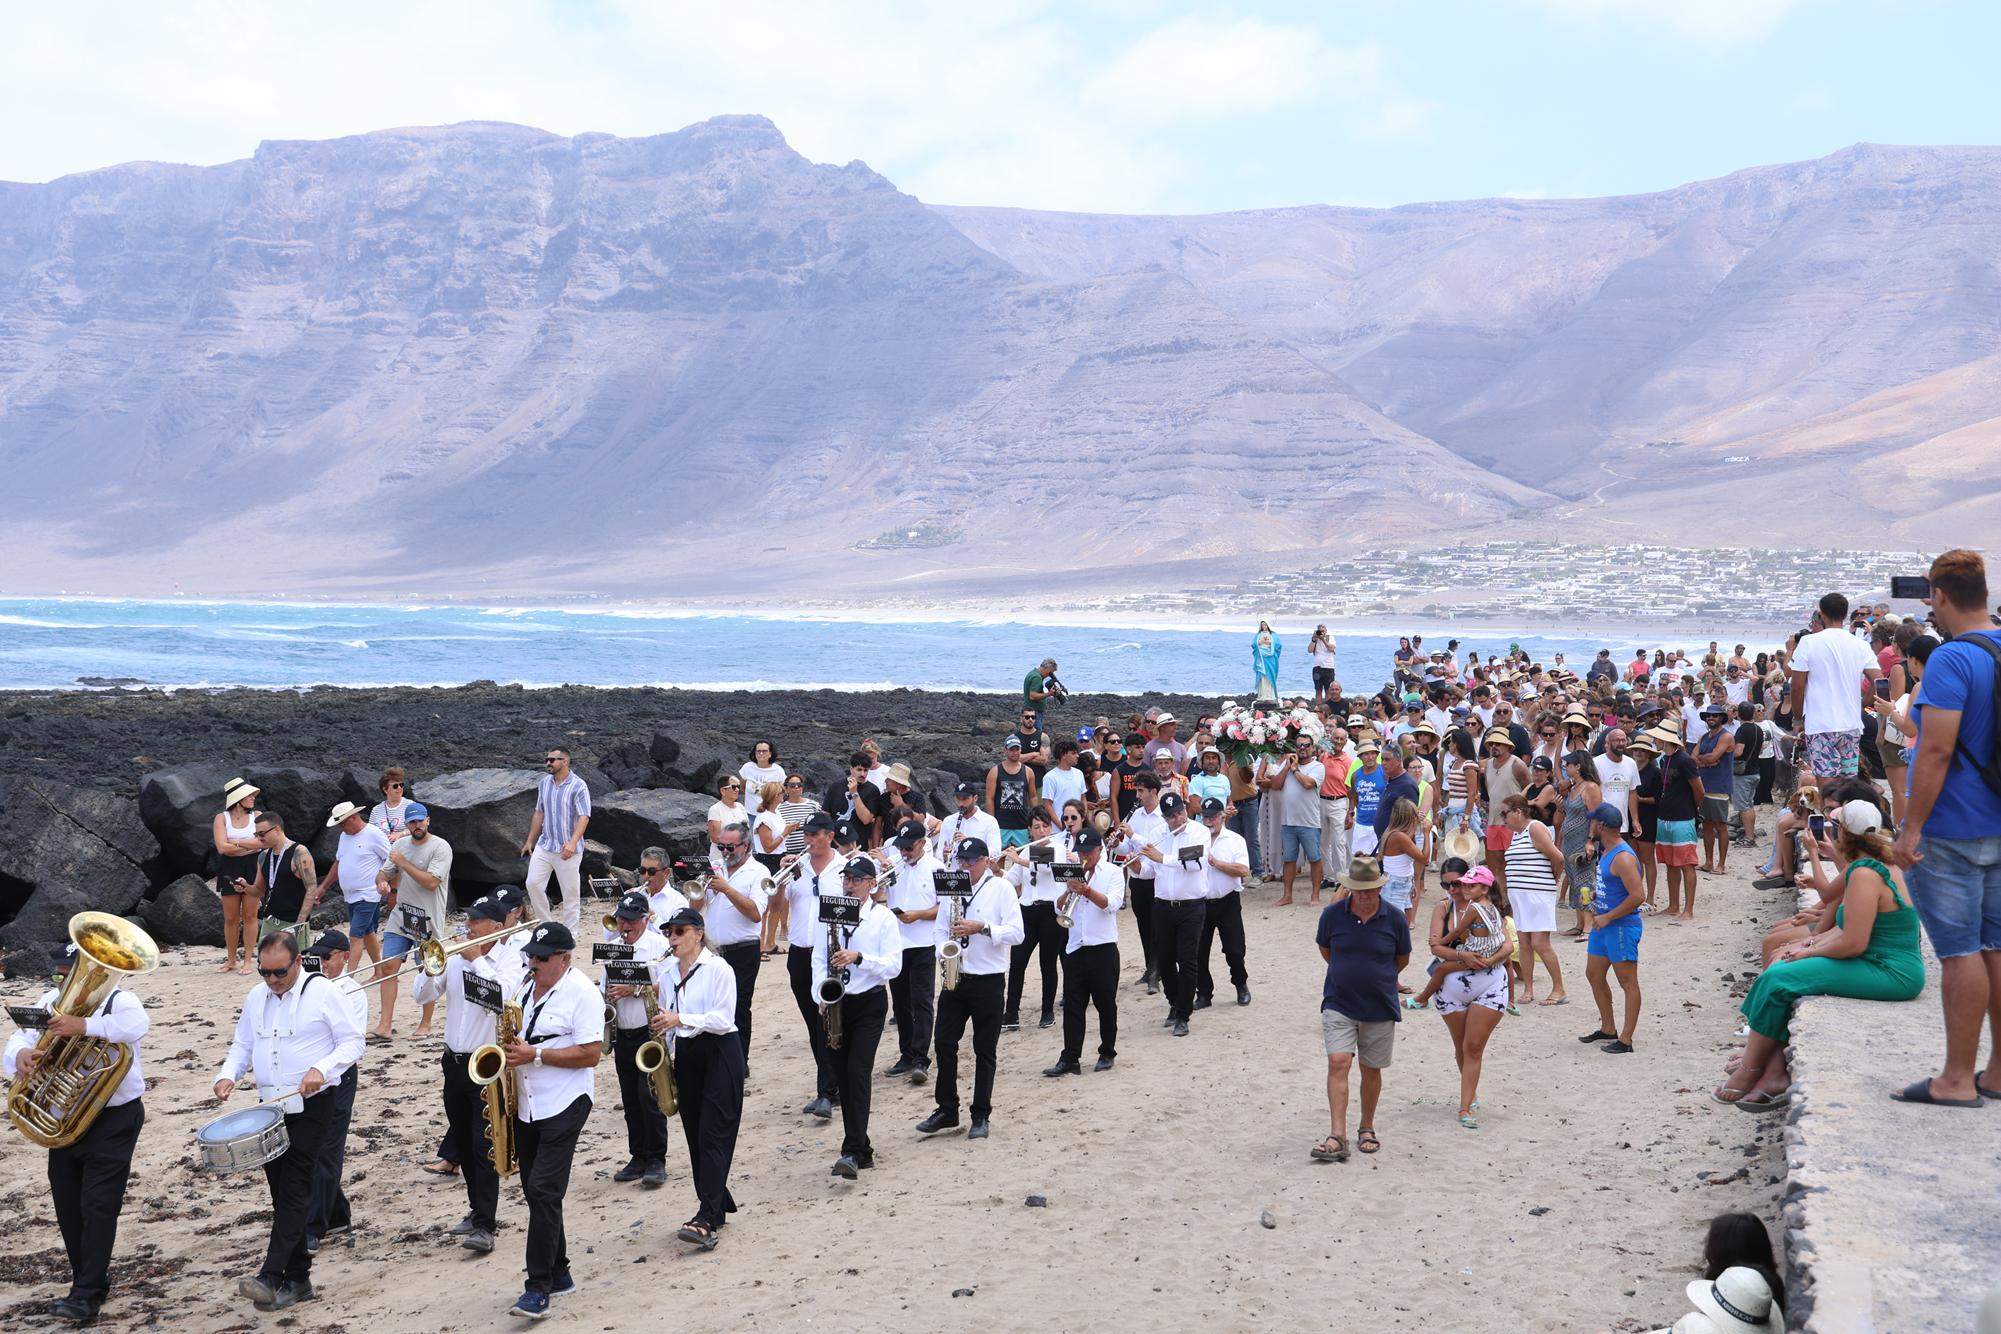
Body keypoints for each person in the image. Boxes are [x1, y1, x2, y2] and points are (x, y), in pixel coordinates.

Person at [1719, 800, 1923, 1109]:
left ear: (1843, 834)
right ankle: (1770, 1068)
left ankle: (1752, 1069)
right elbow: (1844, 930)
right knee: (1780, 966)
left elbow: (1853, 942)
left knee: (1780, 980)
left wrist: (1805, 953)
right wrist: (1807, 946)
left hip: (1890, 971)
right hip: (1879, 961)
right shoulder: (1869, 865)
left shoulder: (1866, 874)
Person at [1890, 548, 2001, 1107]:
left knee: (1960, 951)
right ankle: (1999, 1072)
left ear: (1937, 595)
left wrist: (1909, 829)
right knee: (1998, 946)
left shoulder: (1954, 660)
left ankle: (1957, 1079)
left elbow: (1933, 749)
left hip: (1957, 825)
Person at [213, 931, 365, 1311]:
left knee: (296, 1186)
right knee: (281, 1192)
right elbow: (243, 1044)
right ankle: (298, 1280)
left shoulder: (325, 992)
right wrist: (228, 1074)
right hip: (270, 1107)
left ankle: (270, 1274)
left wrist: (321, 1067)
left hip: (314, 1104)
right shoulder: (255, 996)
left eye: (279, 972)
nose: (272, 981)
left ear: (297, 963)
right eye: (265, 973)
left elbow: (353, 1042)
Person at [3, 940, 150, 1323]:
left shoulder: (120, 1001)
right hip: (64, 1119)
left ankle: (85, 1294)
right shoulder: (49, 1000)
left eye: (73, 976)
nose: (69, 985)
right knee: (69, 1206)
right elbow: (20, 1036)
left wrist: (84, 1025)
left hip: (114, 1119)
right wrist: (20, 1055)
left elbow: (138, 1026)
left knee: (99, 1205)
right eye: (61, 976)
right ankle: (89, 1280)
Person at [501, 923, 603, 1321]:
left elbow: (592, 1053)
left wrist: (536, 1057)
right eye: (531, 955)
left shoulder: (582, 993)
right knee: (535, 1189)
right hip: (528, 1101)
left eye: (542, 957)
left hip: (565, 1101)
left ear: (565, 958)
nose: (534, 963)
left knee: (544, 1188)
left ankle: (537, 1287)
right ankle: (559, 1272)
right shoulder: (526, 988)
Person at [410, 896, 512, 1255]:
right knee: (465, 1145)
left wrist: (477, 961)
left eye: (477, 921)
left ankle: (486, 1224)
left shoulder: (508, 960)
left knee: (484, 1144)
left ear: (497, 928)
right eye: (469, 918)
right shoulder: (456, 956)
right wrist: (429, 968)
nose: (469, 926)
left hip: (486, 1066)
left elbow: (504, 999)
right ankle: (475, 1209)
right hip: (453, 1063)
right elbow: (420, 996)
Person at [918, 839, 1024, 1139]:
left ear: (984, 861)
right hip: (956, 975)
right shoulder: (952, 887)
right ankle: (947, 1109)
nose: (964, 866)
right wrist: (944, 949)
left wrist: (984, 928)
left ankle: (981, 1114)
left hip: (988, 979)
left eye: (970, 860)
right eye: (960, 860)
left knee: (984, 1050)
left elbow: (1017, 933)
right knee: (944, 1043)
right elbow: (939, 929)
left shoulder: (1000, 889)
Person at [652, 907, 746, 1246]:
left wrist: (680, 1019)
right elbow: (669, 1019)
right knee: (694, 1133)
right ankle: (716, 1200)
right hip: (688, 1054)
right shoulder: (666, 973)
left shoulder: (719, 968)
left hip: (721, 1050)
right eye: (668, 933)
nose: (673, 938)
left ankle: (707, 1216)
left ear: (698, 934)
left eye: (679, 932)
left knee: (714, 1133)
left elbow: (723, 1019)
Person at [1311, 857, 1412, 1163]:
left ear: (1379, 887)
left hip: (1380, 1003)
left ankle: (1366, 1126)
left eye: (1371, 889)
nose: (1366, 895)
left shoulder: (1394, 918)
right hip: (1339, 1000)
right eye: (1360, 889)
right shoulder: (1332, 915)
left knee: (1371, 1069)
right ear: (1351, 888)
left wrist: (1375, 976)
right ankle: (1337, 1135)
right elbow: (1326, 950)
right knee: (1338, 1062)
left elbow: (1402, 959)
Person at [814, 858, 904, 1177]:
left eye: (856, 879)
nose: (849, 884)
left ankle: (851, 1150)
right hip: (837, 1002)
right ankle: (862, 1148)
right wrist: (820, 995)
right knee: (841, 1075)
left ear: (871, 884)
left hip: (869, 1002)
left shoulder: (882, 918)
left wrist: (859, 958)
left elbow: (894, 966)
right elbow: (818, 956)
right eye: (846, 878)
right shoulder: (831, 913)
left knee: (858, 1072)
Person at [1420, 865, 1512, 1129]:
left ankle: (1465, 1106)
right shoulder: (1443, 908)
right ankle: (1470, 1095)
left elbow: (1507, 944)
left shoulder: (1488, 908)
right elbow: (1436, 945)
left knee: (1473, 1047)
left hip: (1489, 983)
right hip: (1452, 988)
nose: (1453, 889)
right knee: (1462, 1047)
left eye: (1457, 884)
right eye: (1447, 885)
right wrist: (1464, 957)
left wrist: (1488, 960)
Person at [599, 891, 673, 1188]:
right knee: (630, 1097)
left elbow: (667, 986)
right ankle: (638, 1155)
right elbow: (604, 984)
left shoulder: (658, 946)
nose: (625, 927)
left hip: (648, 1030)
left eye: (630, 921)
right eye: (621, 920)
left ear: (645, 920)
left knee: (649, 1095)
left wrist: (635, 989)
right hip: (623, 1031)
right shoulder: (613, 947)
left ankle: (657, 1158)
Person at [300, 931, 366, 1256]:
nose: (322, 963)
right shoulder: (309, 986)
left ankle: (313, 1227)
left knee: (327, 1150)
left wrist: (322, 1069)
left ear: (343, 955)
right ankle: (337, 1214)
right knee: (307, 1147)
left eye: (328, 957)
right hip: (307, 1075)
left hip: (337, 1075)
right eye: (319, 957)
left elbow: (350, 1045)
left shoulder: (352, 991)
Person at [1044, 827, 1124, 1075]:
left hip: (1103, 947)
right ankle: (1070, 1058)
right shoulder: (1071, 873)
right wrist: (1069, 890)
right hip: (1076, 947)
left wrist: (1087, 890)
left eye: (1089, 852)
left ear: (1100, 850)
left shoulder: (1113, 872)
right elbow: (1058, 910)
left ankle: (1107, 1052)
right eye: (1081, 852)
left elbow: (1112, 905)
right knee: (1073, 1006)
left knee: (1105, 1004)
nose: (1084, 857)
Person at [783, 813, 845, 1119]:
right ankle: (831, 1087)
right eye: (807, 834)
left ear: (829, 835)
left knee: (826, 1022)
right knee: (812, 1024)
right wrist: (784, 875)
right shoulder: (798, 868)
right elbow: (775, 903)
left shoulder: (844, 868)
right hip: (799, 951)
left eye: (815, 834)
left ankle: (827, 1092)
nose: (809, 839)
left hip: (829, 953)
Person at [374, 801, 451, 1041]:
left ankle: (426, 1023)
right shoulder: (400, 845)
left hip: (427, 919)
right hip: (401, 916)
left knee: (426, 971)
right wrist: (382, 882)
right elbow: (385, 872)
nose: (417, 825)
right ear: (406, 824)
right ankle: (384, 1025)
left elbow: (431, 882)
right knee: (388, 968)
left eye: (420, 821)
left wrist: (403, 863)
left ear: (428, 820)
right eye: (412, 822)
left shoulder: (441, 847)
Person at [1135, 791, 1210, 1036]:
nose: (1176, 820)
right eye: (1170, 817)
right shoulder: (1158, 834)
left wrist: (1161, 857)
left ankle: (1184, 1014)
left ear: (1185, 809)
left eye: (1179, 813)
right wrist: (1135, 862)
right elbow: (1148, 871)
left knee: (1187, 960)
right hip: (1163, 905)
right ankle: (1174, 1003)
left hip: (1191, 905)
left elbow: (1194, 863)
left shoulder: (1199, 832)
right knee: (1165, 960)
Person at [1790, 592, 1883, 782]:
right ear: (1845, 615)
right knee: (1848, 784)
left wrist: (1798, 717)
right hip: (1851, 725)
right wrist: (1865, 702)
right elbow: (1880, 681)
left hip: (1820, 724)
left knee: (1826, 785)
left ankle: (1828, 812)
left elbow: (1797, 687)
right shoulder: (1860, 644)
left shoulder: (1808, 642)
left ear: (1822, 614)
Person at [701, 823, 770, 1074]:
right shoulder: (717, 869)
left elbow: (754, 913)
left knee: (738, 1007)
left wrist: (727, 889)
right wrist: (702, 886)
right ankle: (718, 1059)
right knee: (711, 1005)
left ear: (747, 846)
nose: (726, 851)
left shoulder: (759, 872)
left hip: (743, 949)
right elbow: (696, 905)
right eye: (722, 846)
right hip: (713, 950)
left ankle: (740, 1063)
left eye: (731, 847)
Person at [1579, 804, 1644, 1053]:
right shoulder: (1606, 851)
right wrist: (1598, 895)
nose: (1591, 825)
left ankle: (1626, 1039)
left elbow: (1638, 895)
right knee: (1594, 974)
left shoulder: (1623, 857)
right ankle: (1608, 1028)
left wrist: (1609, 916)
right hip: (1603, 924)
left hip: (1620, 926)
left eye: (1593, 822)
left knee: (1628, 981)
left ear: (1602, 826)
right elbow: (1617, 887)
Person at [318, 801, 394, 1005]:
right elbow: (339, 862)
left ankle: (347, 979)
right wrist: (324, 887)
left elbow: (392, 859)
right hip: (350, 895)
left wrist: (390, 886)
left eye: (343, 823)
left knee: (355, 936)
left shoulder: (373, 834)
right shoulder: (345, 836)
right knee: (368, 933)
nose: (341, 828)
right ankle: (378, 970)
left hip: (368, 894)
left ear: (353, 817)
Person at [884, 821, 941, 1082]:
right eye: (901, 847)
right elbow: (875, 897)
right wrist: (879, 877)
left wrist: (919, 915)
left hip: (924, 943)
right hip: (898, 943)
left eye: (908, 847)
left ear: (922, 843)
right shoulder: (895, 865)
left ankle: (920, 1058)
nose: (904, 852)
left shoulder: (936, 868)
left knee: (922, 1001)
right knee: (901, 1004)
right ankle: (906, 1054)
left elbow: (945, 907)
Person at [1000, 806, 1065, 1031]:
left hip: (1049, 912)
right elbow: (1012, 881)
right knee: (1017, 963)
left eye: (1045, 826)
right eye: (1036, 827)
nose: (1042, 831)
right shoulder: (1025, 852)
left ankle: (1047, 1012)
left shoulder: (1059, 848)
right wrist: (995, 869)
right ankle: (1011, 1013)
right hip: (1027, 911)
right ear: (1030, 830)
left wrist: (1017, 859)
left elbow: (1045, 867)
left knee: (1047, 964)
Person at [1499, 795, 1566, 1004]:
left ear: (1518, 812)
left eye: (1505, 814)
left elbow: (1558, 858)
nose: (1503, 819)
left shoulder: (1534, 828)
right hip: (1521, 896)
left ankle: (1559, 988)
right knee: (1525, 942)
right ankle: (1528, 989)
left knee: (1540, 942)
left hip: (1537, 893)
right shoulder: (1517, 834)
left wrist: (1553, 878)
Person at [520, 747, 592, 934]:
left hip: (567, 848)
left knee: (570, 894)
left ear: (565, 761)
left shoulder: (579, 785)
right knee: (533, 883)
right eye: (547, 759)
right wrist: (530, 841)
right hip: (545, 844)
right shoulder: (544, 783)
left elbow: (584, 816)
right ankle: (546, 926)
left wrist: (572, 843)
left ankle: (571, 935)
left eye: (552, 760)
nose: (548, 763)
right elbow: (539, 812)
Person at [1196, 796, 1252, 1008]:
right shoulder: (1195, 838)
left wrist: (1216, 863)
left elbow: (1243, 870)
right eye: (1205, 817)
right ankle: (1203, 994)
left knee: (1234, 949)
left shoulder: (1235, 840)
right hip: (1200, 902)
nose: (1208, 821)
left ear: (1222, 817)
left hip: (1227, 901)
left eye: (1212, 817)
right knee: (1199, 951)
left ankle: (1241, 985)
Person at [1119, 773, 1168, 993]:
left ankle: (1157, 972)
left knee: (1158, 927)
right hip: (1138, 878)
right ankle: (1150, 967)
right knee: (1144, 926)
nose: (1137, 795)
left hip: (1158, 878)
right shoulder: (1135, 816)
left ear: (1154, 792)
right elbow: (1126, 849)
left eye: (1141, 791)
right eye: (1136, 790)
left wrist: (1133, 836)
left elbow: (1154, 847)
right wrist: (1115, 841)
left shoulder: (1164, 817)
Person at [1651, 726, 1707, 919]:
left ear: (1665, 740)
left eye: (1657, 738)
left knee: (1686, 864)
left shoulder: (1685, 760)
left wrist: (1691, 809)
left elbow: (1699, 790)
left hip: (1682, 818)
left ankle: (1688, 909)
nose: (1654, 741)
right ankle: (1674, 905)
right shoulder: (1665, 759)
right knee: (1670, 863)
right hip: (1666, 816)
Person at [1267, 733, 1325, 907]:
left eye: (1306, 745)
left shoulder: (1318, 766)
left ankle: (1315, 895)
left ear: (1313, 748)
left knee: (1314, 859)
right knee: (1289, 859)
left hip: (1309, 822)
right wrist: (1287, 767)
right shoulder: (1288, 765)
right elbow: (1275, 785)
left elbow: (1308, 784)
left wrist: (1295, 769)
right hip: (1288, 822)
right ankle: (1287, 895)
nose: (1302, 749)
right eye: (1299, 745)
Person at [214, 777, 265, 974]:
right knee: (231, 917)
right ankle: (231, 960)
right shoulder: (221, 818)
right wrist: (247, 845)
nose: (253, 798)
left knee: (251, 915)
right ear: (238, 798)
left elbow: (261, 843)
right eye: (248, 795)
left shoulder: (258, 816)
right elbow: (221, 847)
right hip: (229, 867)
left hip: (253, 867)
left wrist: (234, 843)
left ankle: (249, 961)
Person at [247, 811, 318, 947]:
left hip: (293, 922)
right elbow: (258, 891)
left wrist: (300, 922)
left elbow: (311, 888)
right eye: (256, 835)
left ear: (277, 829)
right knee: (265, 964)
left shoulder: (299, 852)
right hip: (270, 921)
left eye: (262, 834)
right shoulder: (263, 856)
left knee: (297, 965)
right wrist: (244, 887)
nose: (259, 838)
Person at [1556, 751, 1602, 938]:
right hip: (1570, 842)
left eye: (1568, 765)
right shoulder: (1575, 787)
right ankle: (1579, 923)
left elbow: (1595, 816)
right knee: (1575, 882)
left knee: (1585, 883)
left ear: (1578, 766)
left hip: (1583, 841)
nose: (1565, 768)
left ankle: (1588, 926)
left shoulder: (1590, 787)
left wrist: (1591, 840)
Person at [1693, 705, 1739, 874]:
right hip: (1704, 786)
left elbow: (1713, 756)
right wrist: (1708, 760)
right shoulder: (1705, 736)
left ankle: (1721, 864)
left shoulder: (1726, 736)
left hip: (1720, 786)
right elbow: (1693, 758)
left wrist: (1705, 759)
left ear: (1721, 717)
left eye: (1714, 715)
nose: (1710, 718)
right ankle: (1709, 862)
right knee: (1706, 825)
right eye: (1708, 716)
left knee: (1720, 825)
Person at [986, 738, 1040, 850]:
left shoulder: (1028, 772)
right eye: (1011, 749)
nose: (1014, 752)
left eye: (1017, 749)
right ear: (1005, 750)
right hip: (1001, 825)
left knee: (1022, 858)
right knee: (997, 857)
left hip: (1022, 825)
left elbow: (1033, 797)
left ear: (1021, 750)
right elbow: (989, 798)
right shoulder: (995, 771)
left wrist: (1036, 819)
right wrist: (991, 823)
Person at [1731, 702, 1766, 848]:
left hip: (1743, 773)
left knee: (1744, 806)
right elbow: (1760, 749)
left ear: (1739, 714)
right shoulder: (1758, 729)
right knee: (1749, 805)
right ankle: (1749, 832)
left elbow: (1738, 751)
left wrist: (1727, 753)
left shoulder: (1741, 730)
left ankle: (1749, 837)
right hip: (1755, 770)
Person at [739, 741, 785, 815]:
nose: (761, 753)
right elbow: (742, 787)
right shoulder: (747, 767)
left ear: (770, 753)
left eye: (764, 751)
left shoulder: (778, 771)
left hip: (770, 814)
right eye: (758, 751)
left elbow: (781, 793)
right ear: (755, 753)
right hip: (750, 814)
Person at [1023, 657, 1064, 732]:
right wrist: (1050, 693)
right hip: (1034, 711)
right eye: (1050, 672)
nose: (1050, 675)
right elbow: (1032, 696)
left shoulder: (1033, 673)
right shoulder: (1036, 677)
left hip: (1031, 710)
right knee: (1036, 734)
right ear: (1047, 669)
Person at [707, 774, 748, 847]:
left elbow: (747, 830)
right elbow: (715, 837)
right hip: (722, 856)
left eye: (738, 787)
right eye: (733, 787)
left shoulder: (740, 806)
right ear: (723, 791)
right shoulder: (715, 809)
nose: (737, 789)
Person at [1252, 621, 1282, 702]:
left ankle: (1270, 695)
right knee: (1262, 675)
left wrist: (1271, 643)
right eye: (1262, 625)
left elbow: (1279, 646)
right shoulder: (1258, 635)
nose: (1264, 626)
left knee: (1270, 675)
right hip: (1261, 658)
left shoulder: (1273, 635)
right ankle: (1262, 695)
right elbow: (1253, 645)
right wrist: (1259, 642)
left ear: (1268, 625)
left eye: (1265, 625)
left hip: (1270, 658)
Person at [1308, 625, 1338, 704]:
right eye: (1319, 631)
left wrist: (1323, 639)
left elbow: (1331, 648)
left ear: (1326, 631)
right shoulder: (1315, 639)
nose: (1321, 633)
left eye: (1323, 631)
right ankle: (1319, 709)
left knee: (1328, 691)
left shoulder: (1330, 637)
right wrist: (1314, 639)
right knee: (1318, 690)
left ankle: (1327, 709)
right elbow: (1310, 650)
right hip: (1317, 668)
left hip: (1329, 667)